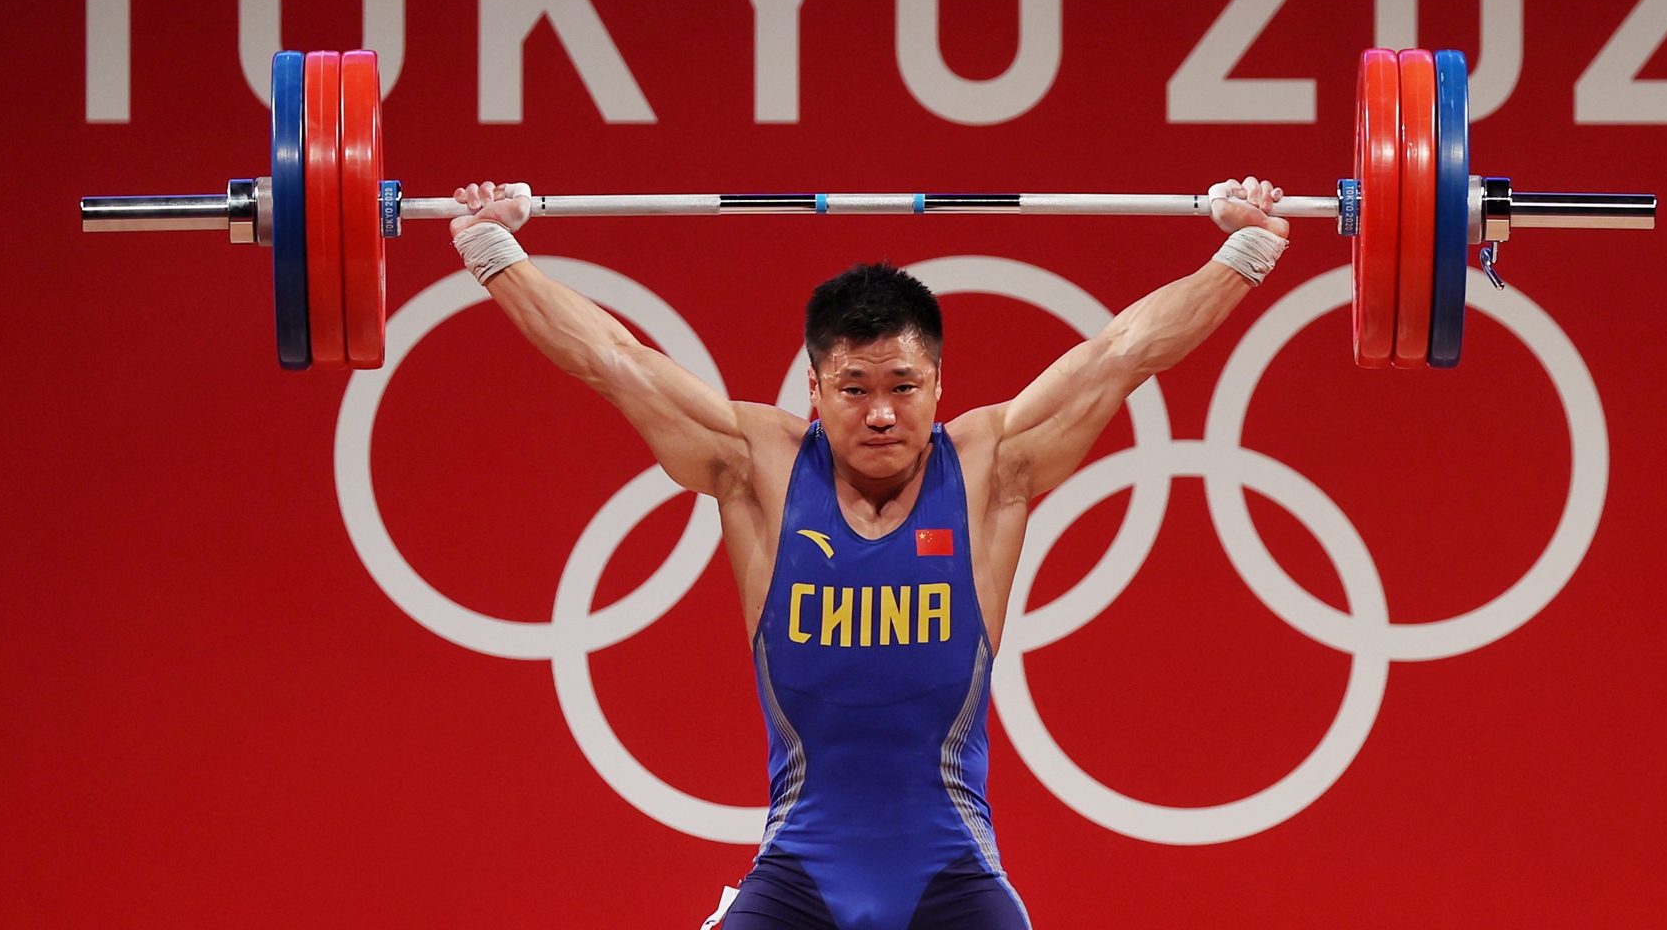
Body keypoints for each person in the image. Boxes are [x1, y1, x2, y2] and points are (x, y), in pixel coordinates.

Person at [447, 179, 1292, 930]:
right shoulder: (759, 467)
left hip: (954, 877)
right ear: (814, 389)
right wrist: (493, 249)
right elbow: (614, 360)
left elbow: (1122, 353)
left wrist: (1247, 249)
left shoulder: (990, 469)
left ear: (938, 387)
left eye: (902, 388)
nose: (881, 414)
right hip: (796, 876)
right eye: (854, 389)